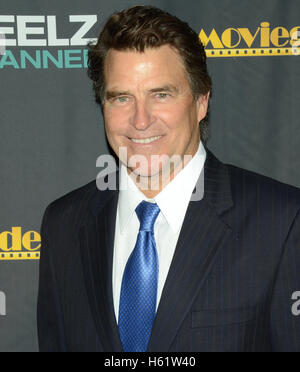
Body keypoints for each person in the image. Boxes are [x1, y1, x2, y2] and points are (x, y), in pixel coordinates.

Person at [37, 5, 300, 352]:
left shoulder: (281, 221)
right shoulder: (64, 224)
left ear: (202, 100)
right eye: (121, 98)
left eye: (160, 94)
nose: (140, 120)